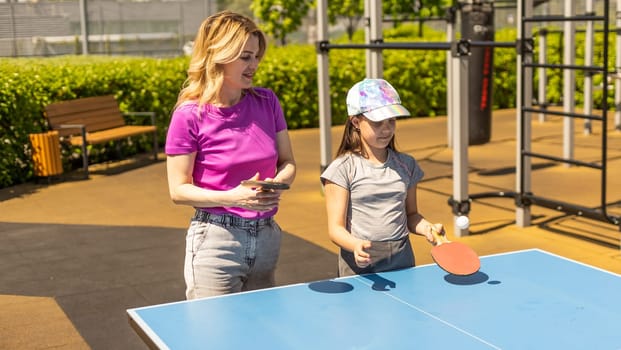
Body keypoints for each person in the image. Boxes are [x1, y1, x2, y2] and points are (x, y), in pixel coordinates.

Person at [165, 11, 296, 299]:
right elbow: (178, 191)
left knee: (258, 329)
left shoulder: (267, 102)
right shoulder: (189, 115)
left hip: (267, 237)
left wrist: (278, 182)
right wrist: (234, 197)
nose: (254, 65)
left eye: (257, 56)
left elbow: (287, 162)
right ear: (219, 56)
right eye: (245, 57)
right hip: (215, 241)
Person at [320, 78, 444, 277]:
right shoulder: (341, 169)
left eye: (392, 121)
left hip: (402, 256)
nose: (386, 129)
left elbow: (411, 215)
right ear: (355, 122)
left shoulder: (407, 165)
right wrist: (355, 245)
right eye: (378, 123)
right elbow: (335, 228)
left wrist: (427, 228)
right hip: (360, 261)